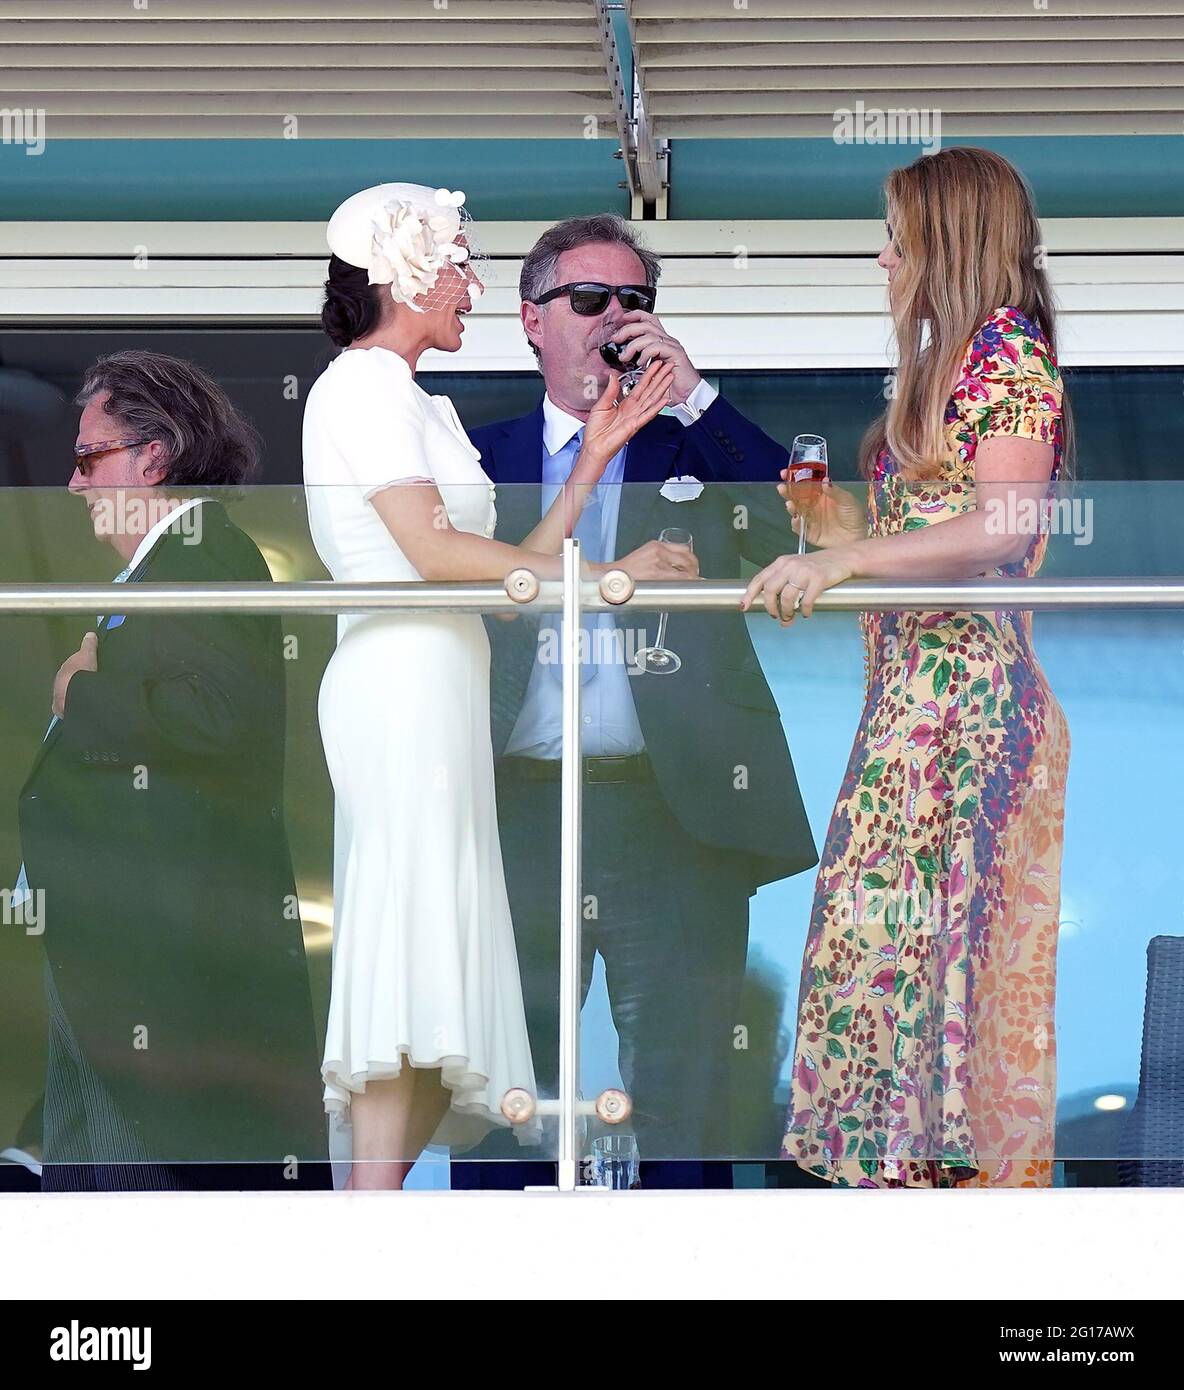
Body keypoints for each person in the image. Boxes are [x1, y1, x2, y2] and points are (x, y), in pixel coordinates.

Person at [302, 184, 675, 1189]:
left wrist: (592, 457)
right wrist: (601, 578)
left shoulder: (413, 396)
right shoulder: (366, 384)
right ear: (405, 273)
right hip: (399, 680)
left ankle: (370, 1210)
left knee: (437, 953)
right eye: (459, 264)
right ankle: (367, 1223)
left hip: (444, 677)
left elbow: (506, 578)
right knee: (408, 940)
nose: (472, 287)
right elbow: (428, 550)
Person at [453, 214, 818, 1191]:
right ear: (532, 321)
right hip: (515, 803)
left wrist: (694, 394)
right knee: (505, 1092)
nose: (617, 317)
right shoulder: (475, 452)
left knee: (681, 1097)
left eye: (635, 301)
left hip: (674, 805)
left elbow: (804, 522)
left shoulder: (690, 442)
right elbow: (457, 600)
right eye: (590, 300)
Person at [742, 147, 1071, 1189]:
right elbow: (941, 530)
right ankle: (888, 1184)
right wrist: (841, 526)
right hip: (916, 696)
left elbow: (1002, 527)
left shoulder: (1007, 356)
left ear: (944, 246)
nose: (880, 256)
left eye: (895, 236)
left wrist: (842, 555)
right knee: (878, 947)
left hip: (962, 699)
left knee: (918, 951)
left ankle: (922, 1197)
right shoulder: (960, 362)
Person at [17, 350, 328, 1191]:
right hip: (117, 950)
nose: (76, 484)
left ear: (152, 457)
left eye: (89, 458)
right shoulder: (168, 562)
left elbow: (214, 720)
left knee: (132, 1197)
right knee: (81, 1186)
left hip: (159, 971)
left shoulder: (204, 552)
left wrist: (83, 691)